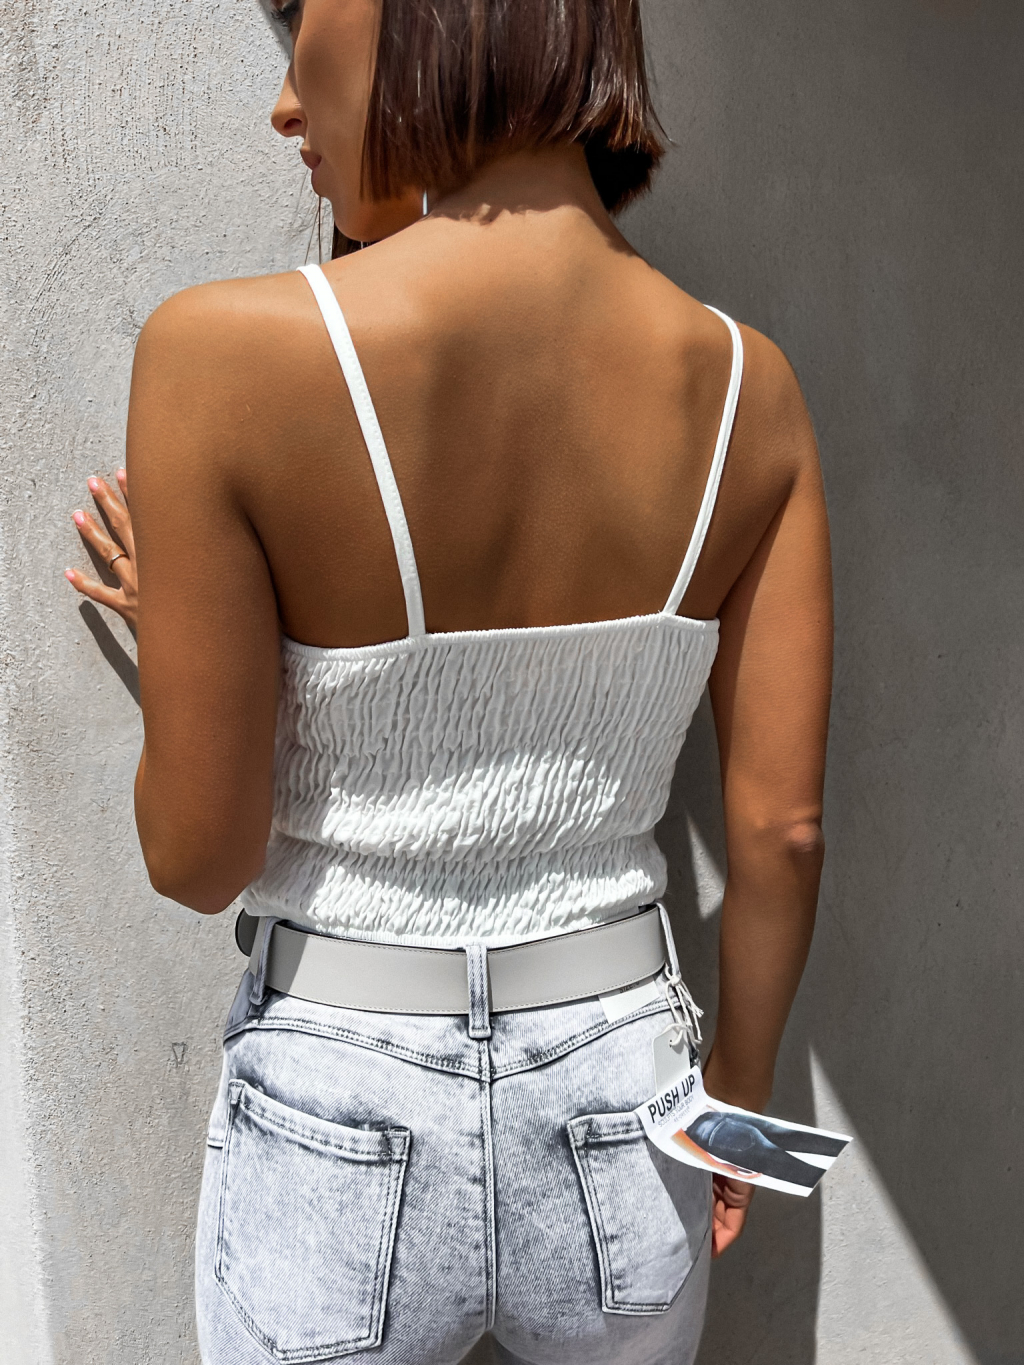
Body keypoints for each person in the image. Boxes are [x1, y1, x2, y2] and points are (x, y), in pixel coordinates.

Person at [65, 0, 832, 1360]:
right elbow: (779, 832)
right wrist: (738, 1100)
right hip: (627, 1095)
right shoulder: (747, 387)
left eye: (303, 21)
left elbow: (197, 857)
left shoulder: (221, 355)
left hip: (337, 1095)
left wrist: (200, 641)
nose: (285, 102)